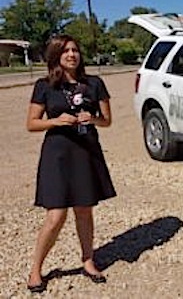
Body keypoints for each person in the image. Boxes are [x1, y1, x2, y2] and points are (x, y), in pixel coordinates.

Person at [25, 35, 116, 293]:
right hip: (57, 154)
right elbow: (32, 123)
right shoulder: (44, 86)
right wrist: (56, 121)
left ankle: (88, 260)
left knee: (84, 210)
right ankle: (36, 269)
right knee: (56, 215)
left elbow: (107, 120)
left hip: (86, 152)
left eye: (75, 50)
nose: (72, 54)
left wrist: (93, 118)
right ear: (56, 56)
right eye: (66, 51)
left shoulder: (94, 83)